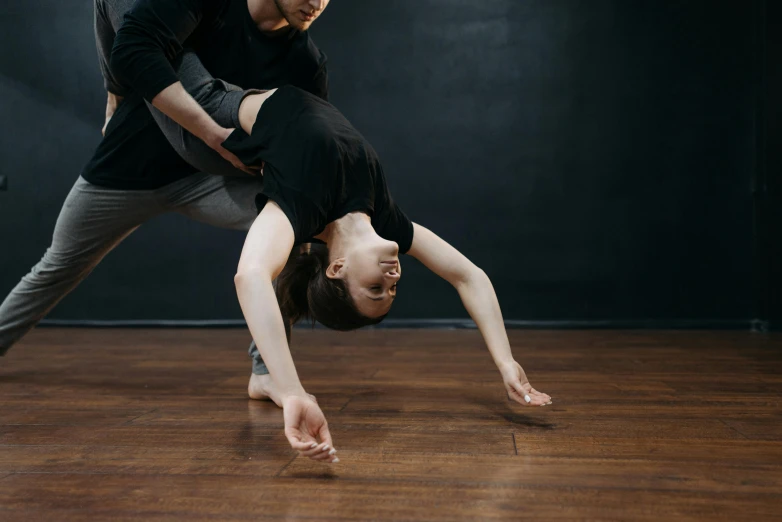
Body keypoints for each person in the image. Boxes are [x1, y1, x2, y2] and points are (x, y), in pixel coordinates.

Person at [215, 85, 554, 464]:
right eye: (392, 289)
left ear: (337, 268)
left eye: (375, 288)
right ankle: (261, 378)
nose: (393, 277)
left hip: (219, 104)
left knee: (152, 60)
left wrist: (292, 390)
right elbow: (467, 276)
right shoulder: (386, 220)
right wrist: (506, 362)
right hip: (278, 76)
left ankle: (265, 379)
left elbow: (250, 276)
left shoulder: (301, 211)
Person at [0, 0, 331, 366]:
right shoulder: (207, 7)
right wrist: (115, 90)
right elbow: (130, 35)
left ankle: (268, 370)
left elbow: (303, 150)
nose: (317, 4)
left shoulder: (307, 64)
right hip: (127, 170)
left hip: (212, 180)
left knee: (290, 219)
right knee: (55, 267)